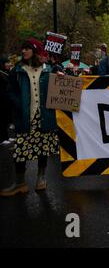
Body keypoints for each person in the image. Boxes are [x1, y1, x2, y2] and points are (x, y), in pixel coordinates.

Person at [0, 39, 58, 196]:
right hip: (25, 117)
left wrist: (60, 78)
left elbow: (57, 90)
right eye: (22, 48)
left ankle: (41, 179)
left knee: (42, 149)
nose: (23, 51)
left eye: (27, 48)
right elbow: (10, 90)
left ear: (35, 51)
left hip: (44, 116)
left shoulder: (48, 69)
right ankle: (20, 183)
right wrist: (19, 104)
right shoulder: (17, 70)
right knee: (20, 151)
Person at [0, 58, 13, 146]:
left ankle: (6, 137)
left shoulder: (5, 73)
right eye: (7, 62)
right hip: (1, 100)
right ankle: (2, 138)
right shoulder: (1, 74)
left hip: (6, 99)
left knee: (5, 119)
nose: (9, 64)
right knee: (2, 119)